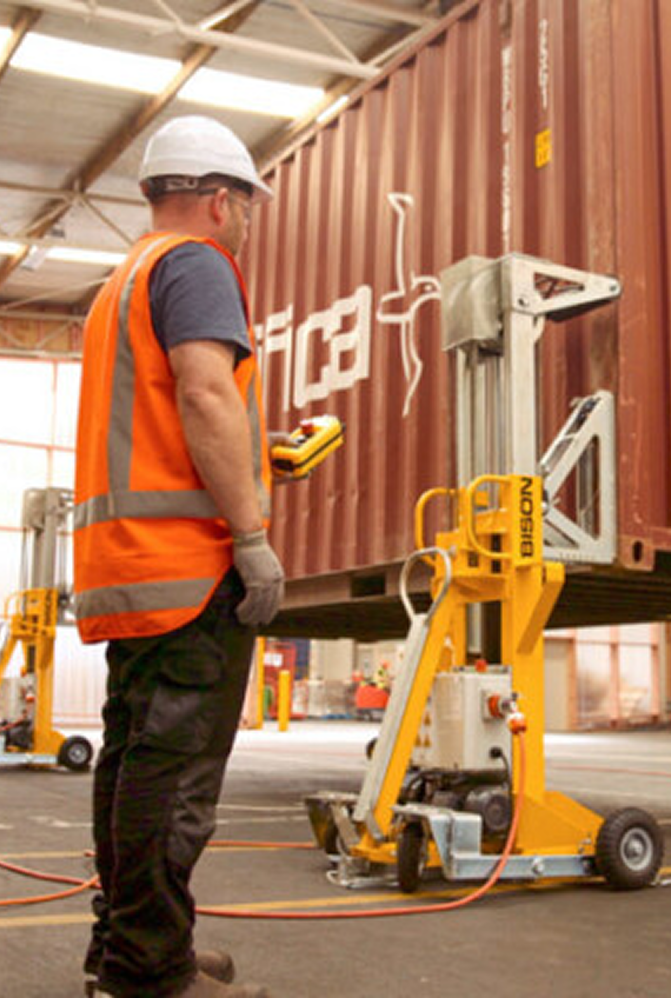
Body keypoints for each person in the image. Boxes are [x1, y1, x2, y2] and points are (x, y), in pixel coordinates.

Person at [74, 115, 284, 998]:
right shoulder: (198, 265)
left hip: (128, 569)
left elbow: (166, 418)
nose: (244, 224)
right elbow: (203, 393)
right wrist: (252, 536)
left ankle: (129, 946)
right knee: (174, 779)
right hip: (192, 570)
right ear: (219, 200)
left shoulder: (121, 281)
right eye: (244, 208)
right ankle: (148, 972)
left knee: (132, 765)